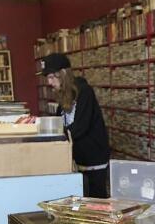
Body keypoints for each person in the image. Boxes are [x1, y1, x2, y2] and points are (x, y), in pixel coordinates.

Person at [41, 52, 110, 197]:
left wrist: (58, 136)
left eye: (52, 77)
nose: (49, 82)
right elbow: (60, 124)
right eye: (48, 77)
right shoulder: (64, 96)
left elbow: (80, 127)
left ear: (63, 74)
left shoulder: (84, 92)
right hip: (78, 160)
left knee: (97, 203)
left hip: (93, 161)